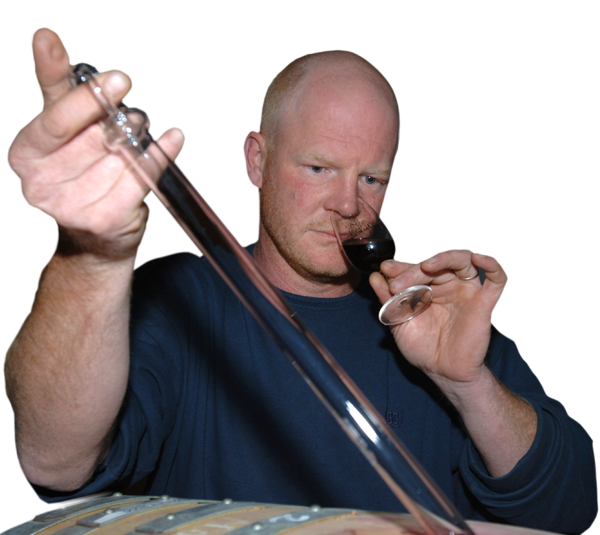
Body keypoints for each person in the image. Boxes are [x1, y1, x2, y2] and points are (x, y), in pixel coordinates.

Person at [4, 27, 597, 534]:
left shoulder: (434, 318)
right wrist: (93, 254)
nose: (348, 204)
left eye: (373, 178)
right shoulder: (175, 301)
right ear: (257, 160)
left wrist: (468, 385)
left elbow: (571, 506)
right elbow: (54, 463)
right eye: (319, 168)